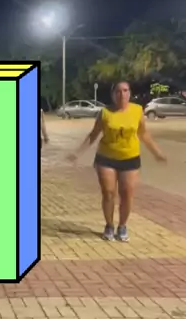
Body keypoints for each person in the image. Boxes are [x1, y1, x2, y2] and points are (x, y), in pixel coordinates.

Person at [67, 81, 166, 242]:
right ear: (113, 94)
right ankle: (109, 225)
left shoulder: (137, 110)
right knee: (108, 192)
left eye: (125, 91)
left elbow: (143, 133)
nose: (122, 94)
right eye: (118, 91)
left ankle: (122, 226)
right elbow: (93, 134)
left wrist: (156, 153)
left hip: (130, 158)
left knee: (127, 193)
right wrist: (78, 152)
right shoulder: (105, 113)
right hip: (106, 158)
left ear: (129, 93)